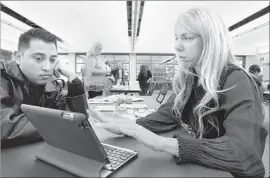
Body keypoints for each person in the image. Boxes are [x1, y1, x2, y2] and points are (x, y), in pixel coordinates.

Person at [88, 7, 268, 177]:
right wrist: (129, 126)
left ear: (210, 40)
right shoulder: (191, 78)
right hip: (206, 168)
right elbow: (168, 114)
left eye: (187, 38)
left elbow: (244, 151)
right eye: (176, 37)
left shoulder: (237, 80)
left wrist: (161, 143)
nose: (177, 46)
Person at [1, 28, 88, 148]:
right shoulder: (3, 80)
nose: (47, 67)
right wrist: (63, 123)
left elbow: (78, 119)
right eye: (38, 58)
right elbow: (5, 128)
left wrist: (73, 79)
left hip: (35, 155)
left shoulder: (52, 85)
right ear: (18, 57)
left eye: (52, 60)